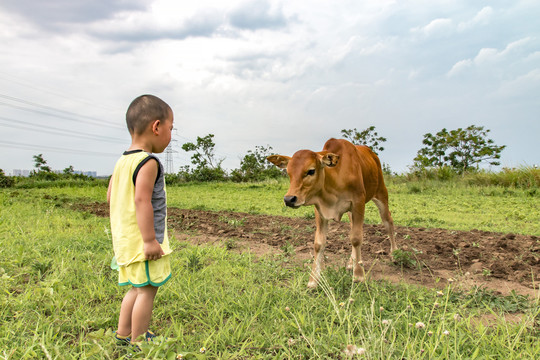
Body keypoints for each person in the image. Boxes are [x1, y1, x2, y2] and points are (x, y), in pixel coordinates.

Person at [107, 94, 174, 346]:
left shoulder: (122, 161)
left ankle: (123, 334)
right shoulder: (148, 162)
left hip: (125, 241)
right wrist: (149, 240)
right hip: (142, 243)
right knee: (147, 290)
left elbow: (111, 196)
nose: (170, 134)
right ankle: (139, 340)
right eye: (170, 128)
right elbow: (142, 201)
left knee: (135, 289)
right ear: (156, 127)